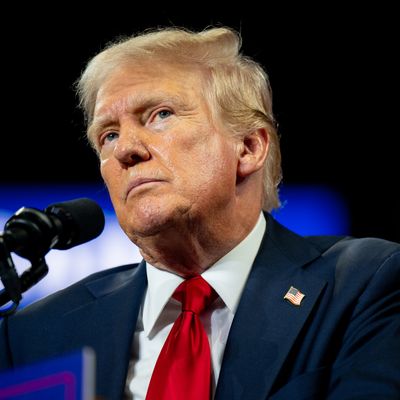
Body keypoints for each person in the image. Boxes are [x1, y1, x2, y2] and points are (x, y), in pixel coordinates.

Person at [0, 26, 399, 400]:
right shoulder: (33, 336)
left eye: (160, 115)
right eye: (109, 135)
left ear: (247, 147)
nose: (125, 150)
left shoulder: (364, 284)